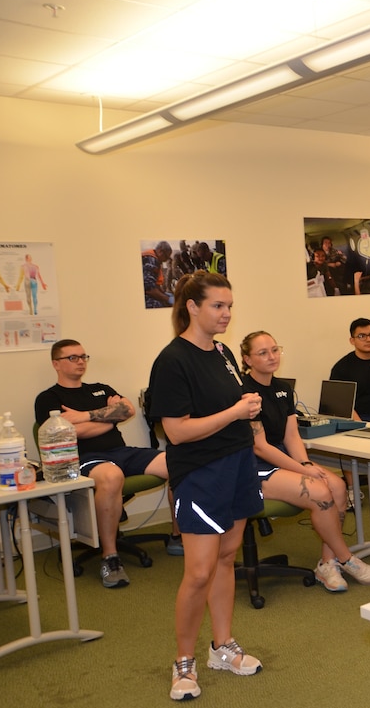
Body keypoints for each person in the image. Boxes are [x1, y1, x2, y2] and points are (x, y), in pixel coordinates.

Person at [147, 270, 264, 701]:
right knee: (197, 572)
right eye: (218, 306)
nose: (226, 314)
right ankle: (183, 662)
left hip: (237, 463)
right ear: (192, 307)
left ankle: (222, 646)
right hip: (200, 472)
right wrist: (236, 412)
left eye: (229, 306)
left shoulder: (223, 352)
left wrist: (245, 410)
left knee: (226, 558)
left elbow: (227, 409)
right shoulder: (172, 360)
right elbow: (177, 432)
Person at [240, 331, 370, 592]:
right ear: (247, 359)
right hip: (252, 468)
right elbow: (260, 447)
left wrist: (305, 464)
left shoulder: (283, 389)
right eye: (262, 353)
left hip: (283, 461)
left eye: (274, 349)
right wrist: (303, 469)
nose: (271, 356)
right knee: (319, 492)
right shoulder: (244, 392)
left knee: (338, 486)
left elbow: (291, 435)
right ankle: (346, 558)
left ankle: (326, 564)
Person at [35, 339, 181, 588]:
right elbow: (67, 433)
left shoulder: (100, 389)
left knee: (180, 462)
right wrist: (108, 417)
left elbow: (127, 410)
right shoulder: (48, 398)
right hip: (85, 459)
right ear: (56, 364)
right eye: (72, 357)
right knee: (112, 477)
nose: (80, 361)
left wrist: (84, 417)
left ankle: (179, 537)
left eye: (83, 356)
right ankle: (110, 558)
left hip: (122, 452)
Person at [143, 241, 174, 309]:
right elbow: (150, 290)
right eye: (166, 257)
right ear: (160, 251)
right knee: (159, 305)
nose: (165, 260)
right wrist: (168, 299)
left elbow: (155, 285)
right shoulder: (151, 261)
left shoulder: (155, 260)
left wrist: (164, 294)